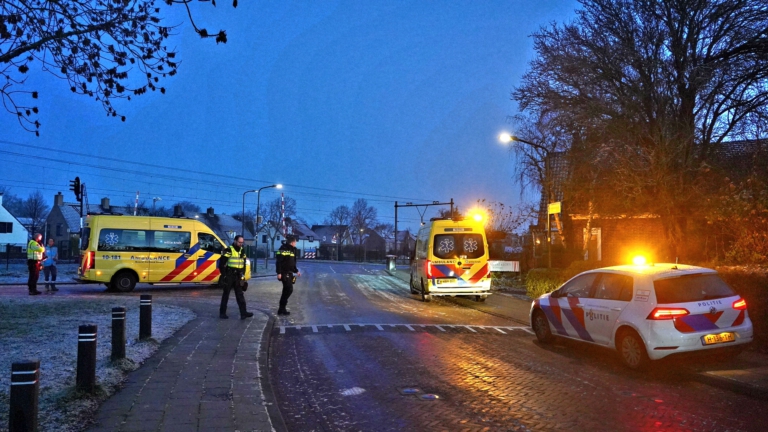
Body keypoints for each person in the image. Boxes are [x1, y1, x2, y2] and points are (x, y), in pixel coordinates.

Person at [219, 235, 253, 320]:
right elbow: (221, 264)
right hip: (230, 275)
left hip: (238, 276)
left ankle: (243, 313)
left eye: (242, 242)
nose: (241, 244)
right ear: (235, 241)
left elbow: (244, 263)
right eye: (239, 242)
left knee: (240, 295)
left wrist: (243, 275)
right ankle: (222, 313)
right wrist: (224, 275)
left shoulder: (242, 250)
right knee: (226, 294)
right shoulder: (229, 250)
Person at [275, 235, 301, 315]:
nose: (296, 243)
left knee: (286, 290)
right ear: (292, 242)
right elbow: (278, 262)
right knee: (289, 289)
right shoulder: (283, 249)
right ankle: (282, 308)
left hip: (289, 273)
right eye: (295, 242)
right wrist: (279, 273)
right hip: (284, 273)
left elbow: (292, 263)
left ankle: (282, 309)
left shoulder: (292, 250)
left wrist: (296, 271)